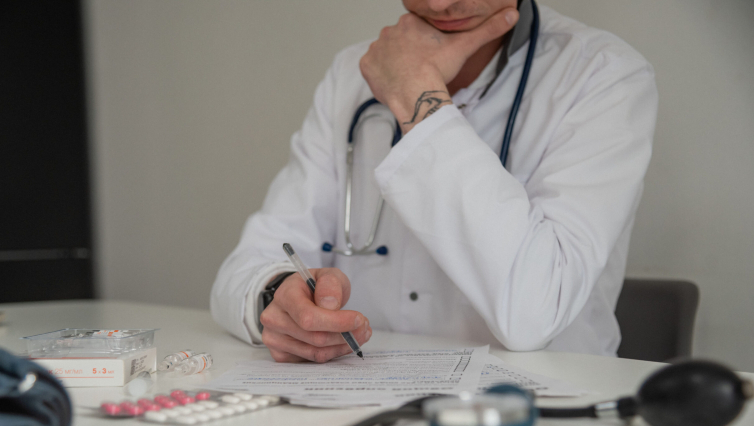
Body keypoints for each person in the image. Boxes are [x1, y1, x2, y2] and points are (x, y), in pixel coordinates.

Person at [211, 0, 657, 363]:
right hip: (363, 393)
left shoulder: (602, 74)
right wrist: (276, 295)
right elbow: (249, 262)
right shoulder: (352, 71)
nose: (440, 3)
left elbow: (533, 315)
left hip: (541, 411)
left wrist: (416, 99)